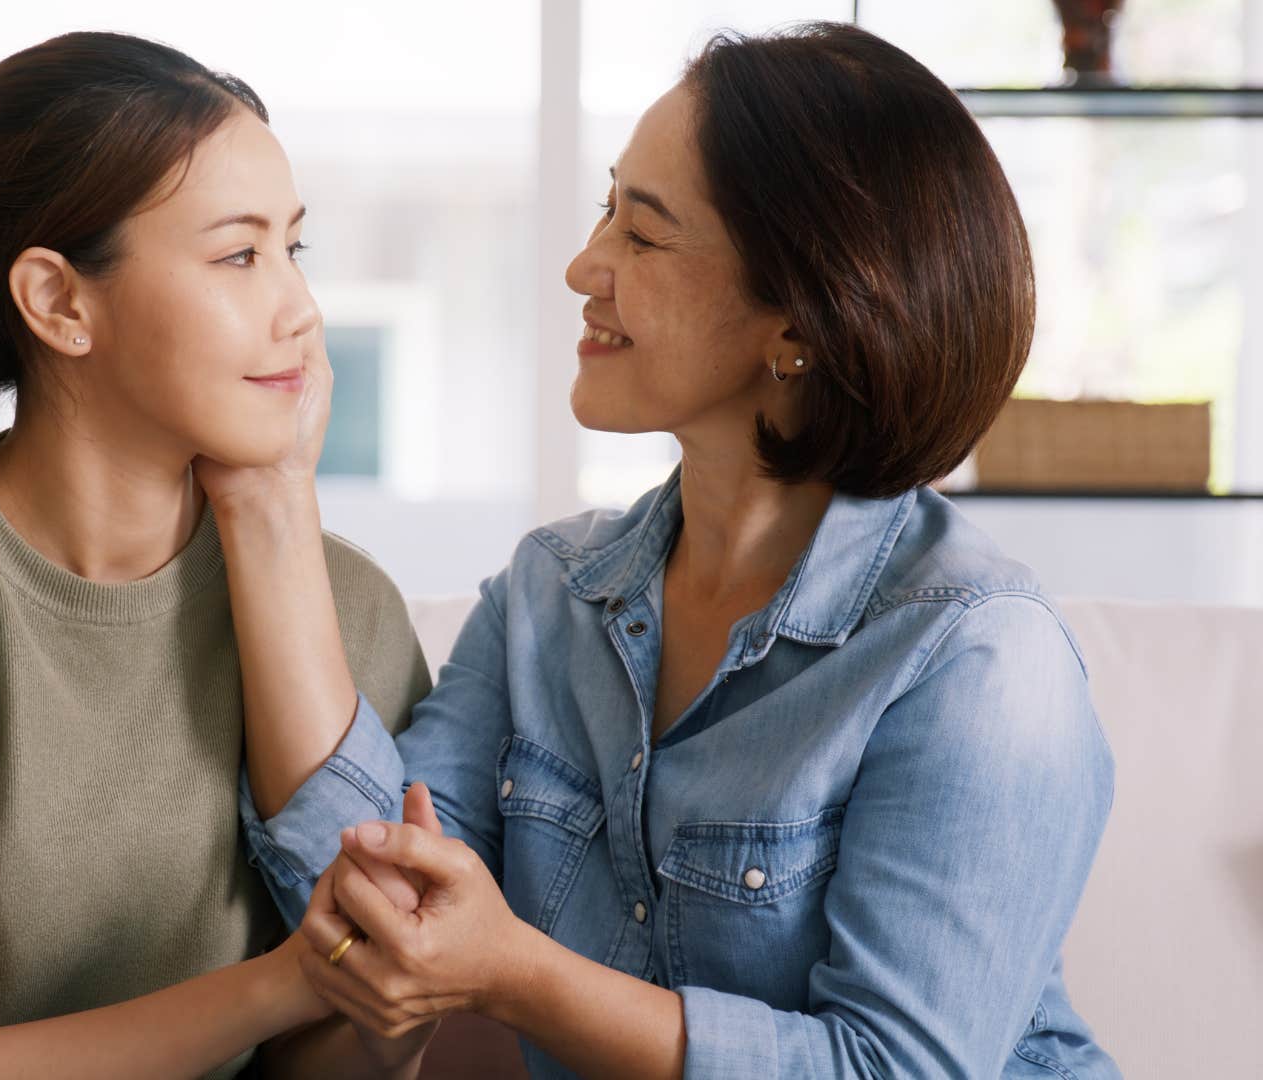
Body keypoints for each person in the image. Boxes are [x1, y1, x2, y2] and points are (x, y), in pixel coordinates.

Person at [229, 21, 1120, 1080]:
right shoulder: (547, 596)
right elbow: (376, 901)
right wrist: (269, 492)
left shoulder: (976, 658)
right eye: (606, 207)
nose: (581, 265)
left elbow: (894, 1068)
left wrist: (514, 973)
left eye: (642, 236)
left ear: (799, 321)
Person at [0, 31, 430, 1079]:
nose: (302, 310)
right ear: (58, 301)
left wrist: (274, 507)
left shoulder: (349, 612)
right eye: (239, 255)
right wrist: (284, 982)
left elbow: (377, 1035)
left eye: (294, 248)